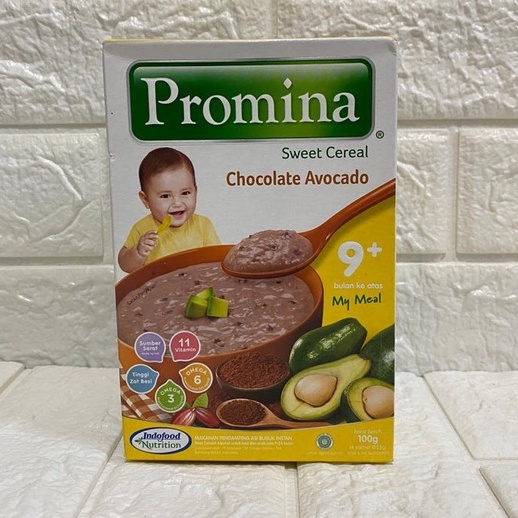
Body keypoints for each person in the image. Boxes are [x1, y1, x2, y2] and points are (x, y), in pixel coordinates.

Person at [118, 147, 221, 273]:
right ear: (146, 199)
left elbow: (217, 260)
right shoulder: (142, 229)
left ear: (196, 191)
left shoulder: (203, 225)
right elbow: (124, 265)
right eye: (165, 196)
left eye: (185, 193)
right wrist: (138, 253)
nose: (177, 203)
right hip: (156, 284)